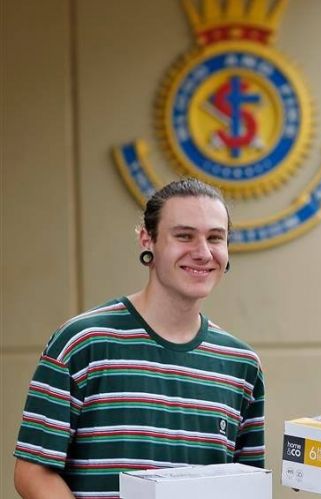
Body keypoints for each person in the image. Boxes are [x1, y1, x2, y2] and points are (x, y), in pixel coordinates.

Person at [13, 179, 265, 498]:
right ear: (148, 239)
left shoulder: (242, 365)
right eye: (184, 236)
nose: (203, 252)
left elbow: (248, 484)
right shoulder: (82, 342)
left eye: (215, 237)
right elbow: (32, 472)